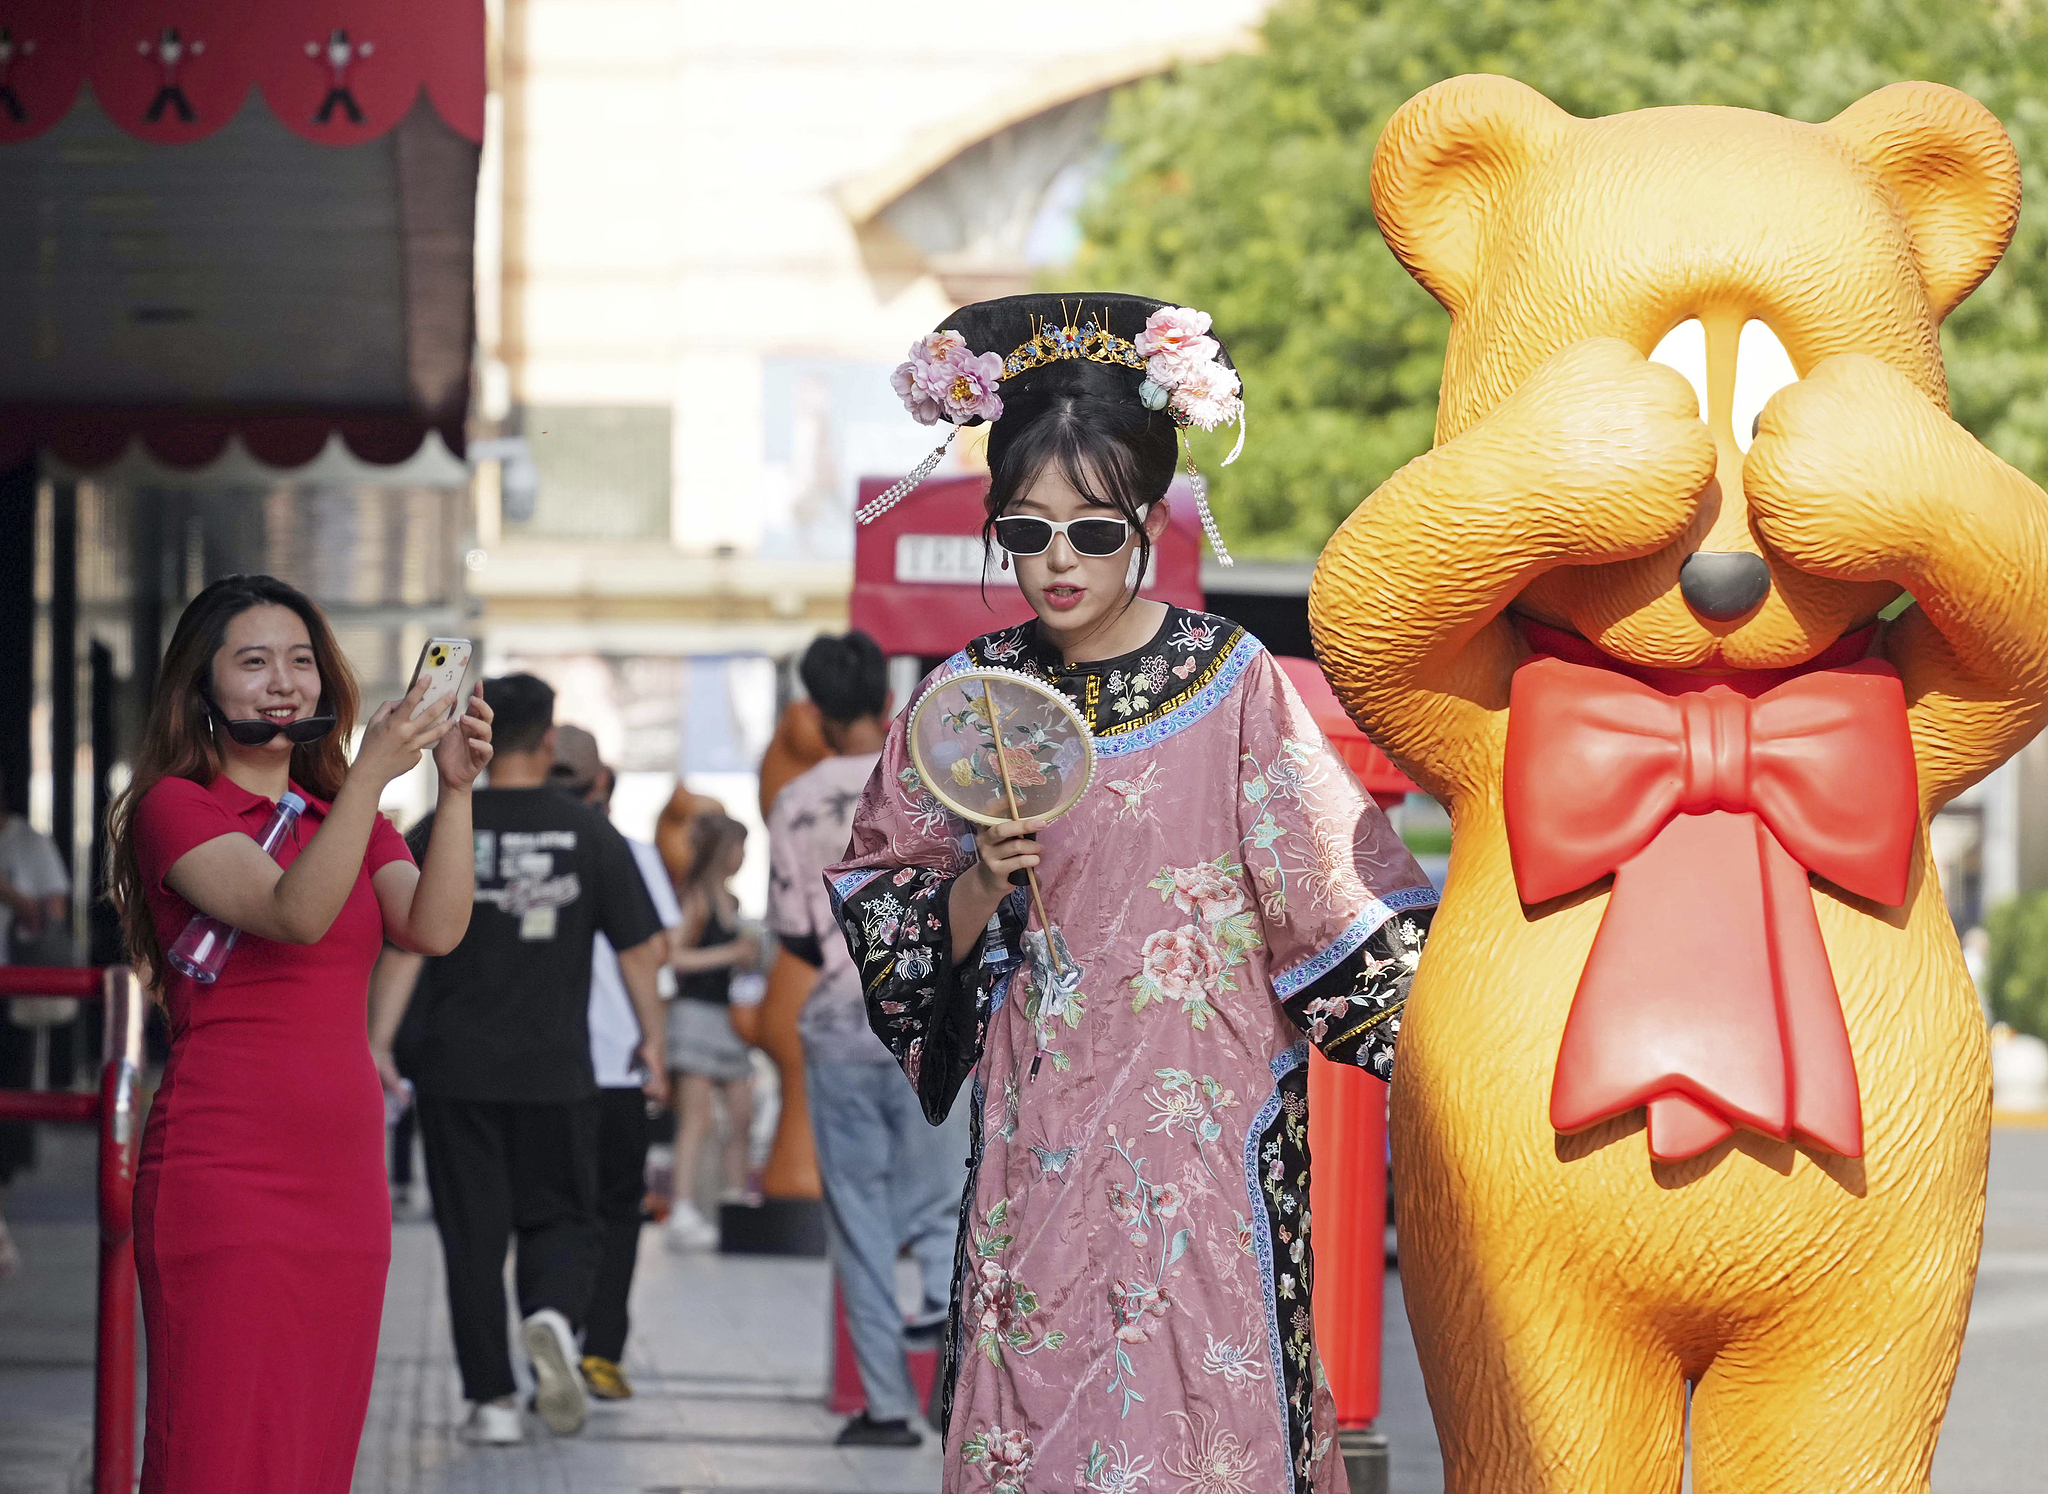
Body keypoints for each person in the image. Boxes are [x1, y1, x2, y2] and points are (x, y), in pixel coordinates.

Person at [829, 294, 1438, 1491]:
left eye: (1091, 533)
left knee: (1200, 1406)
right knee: (1033, 1397)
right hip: (1038, 1127)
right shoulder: (971, 690)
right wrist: (974, 890)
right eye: (1026, 532)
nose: (1057, 563)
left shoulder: (1233, 680)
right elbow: (884, 889)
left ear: (1149, 523)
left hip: (1205, 1124)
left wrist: (1472, 1041)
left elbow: (1331, 897)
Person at [107, 574, 491, 1494]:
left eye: (301, 661)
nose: (284, 682)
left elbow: (433, 929)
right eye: (252, 662)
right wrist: (367, 775)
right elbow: (294, 913)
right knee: (212, 1452)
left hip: (342, 1177)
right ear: (202, 688)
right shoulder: (178, 807)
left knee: (313, 1453)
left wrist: (458, 790)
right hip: (223, 1171)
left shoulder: (346, 817)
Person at [367, 674, 668, 1445]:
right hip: (558, 1070)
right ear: (547, 737)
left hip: (455, 1069)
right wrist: (652, 1042)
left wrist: (376, 1043)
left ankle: (492, 1403)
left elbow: (405, 947)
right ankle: (550, 1317)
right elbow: (639, 953)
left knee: (472, 1235)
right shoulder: (589, 832)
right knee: (563, 1216)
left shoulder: (444, 824)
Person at [771, 631, 968, 1448]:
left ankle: (885, 1407)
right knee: (944, 1204)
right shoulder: (932, 785)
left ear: (815, 713)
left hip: (836, 1028)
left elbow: (788, 928)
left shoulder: (796, 800)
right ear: (889, 705)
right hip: (927, 1020)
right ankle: (944, 1335)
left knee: (857, 1217)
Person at [551, 725, 682, 1401]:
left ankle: (551, 1322)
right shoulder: (628, 852)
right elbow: (657, 950)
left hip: (537, 1066)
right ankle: (599, 1350)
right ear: (600, 782)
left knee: (547, 1209)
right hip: (617, 1063)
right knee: (616, 1210)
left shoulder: (512, 846)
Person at [662, 811, 760, 1248]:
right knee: (696, 1118)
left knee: (741, 1117)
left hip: (727, 1016)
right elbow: (674, 957)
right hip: (694, 1014)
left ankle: (734, 1202)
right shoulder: (696, 898)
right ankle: (681, 1207)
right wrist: (729, 954)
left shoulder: (733, 903)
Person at [0, 766, 72, 1279]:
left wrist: (7, 892)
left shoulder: (29, 843)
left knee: (11, 1080)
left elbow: (50, 918)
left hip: (14, 980)